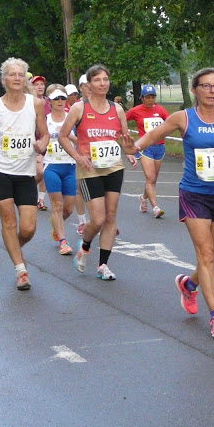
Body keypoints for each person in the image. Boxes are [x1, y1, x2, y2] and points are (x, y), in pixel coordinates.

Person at [121, 67, 214, 338]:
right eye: (206, 86)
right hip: (194, 194)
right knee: (205, 256)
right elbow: (154, 135)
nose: (213, 91)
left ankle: (189, 285)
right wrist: (134, 147)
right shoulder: (183, 118)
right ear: (195, 90)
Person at [58, 64, 137, 280]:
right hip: (90, 169)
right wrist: (78, 157)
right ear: (89, 84)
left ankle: (103, 265)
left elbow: (124, 139)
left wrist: (129, 151)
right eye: (97, 80)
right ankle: (85, 246)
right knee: (99, 218)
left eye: (105, 79)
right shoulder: (79, 108)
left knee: (111, 216)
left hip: (113, 167)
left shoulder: (117, 109)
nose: (103, 83)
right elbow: (63, 136)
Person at [0, 57, 49, 290]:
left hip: (25, 173)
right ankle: (20, 270)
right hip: (0, 171)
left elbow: (44, 134)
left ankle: (13, 248)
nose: (16, 78)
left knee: (27, 228)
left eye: (20, 74)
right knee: (7, 220)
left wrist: (42, 144)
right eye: (11, 74)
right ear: (3, 80)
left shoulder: (34, 104)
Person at [126, 84, 170, 218]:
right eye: (148, 97)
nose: (150, 100)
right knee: (150, 178)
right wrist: (125, 134)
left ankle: (143, 198)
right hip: (145, 148)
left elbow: (170, 123)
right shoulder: (136, 110)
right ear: (142, 98)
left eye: (153, 97)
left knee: (153, 179)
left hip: (159, 148)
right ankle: (155, 207)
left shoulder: (160, 110)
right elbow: (122, 119)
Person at [43, 84, 77, 255]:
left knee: (68, 209)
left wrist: (67, 134)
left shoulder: (72, 118)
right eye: (56, 98)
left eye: (63, 98)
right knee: (57, 205)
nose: (60, 101)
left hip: (70, 166)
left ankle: (57, 225)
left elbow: (80, 141)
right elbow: (39, 141)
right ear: (49, 102)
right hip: (51, 166)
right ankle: (63, 241)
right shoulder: (44, 120)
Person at [74, 74, 91, 235]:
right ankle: (81, 221)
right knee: (79, 188)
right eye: (86, 85)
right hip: (80, 153)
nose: (89, 88)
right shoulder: (77, 107)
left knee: (104, 188)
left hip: (100, 154)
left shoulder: (103, 105)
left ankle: (106, 220)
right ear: (81, 88)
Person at [31, 74, 49, 210]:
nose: (40, 86)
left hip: (48, 140)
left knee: (44, 171)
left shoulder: (50, 101)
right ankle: (28, 189)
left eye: (42, 84)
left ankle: (40, 199)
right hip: (33, 142)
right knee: (39, 172)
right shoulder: (29, 102)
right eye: (36, 84)